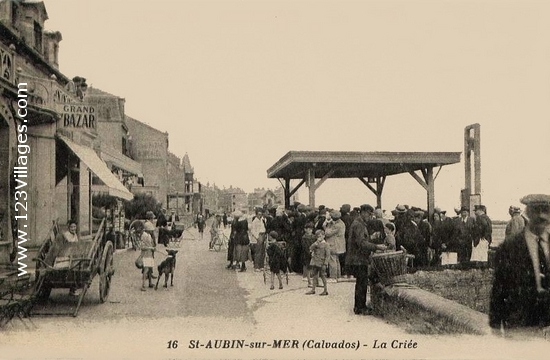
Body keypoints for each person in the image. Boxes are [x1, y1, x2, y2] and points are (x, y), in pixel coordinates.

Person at [490, 194, 550, 333]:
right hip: (520, 324)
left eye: (546, 210)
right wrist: (496, 328)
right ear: (528, 213)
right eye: (536, 210)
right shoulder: (509, 248)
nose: (541, 216)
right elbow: (499, 290)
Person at [346, 204, 387, 314]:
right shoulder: (359, 225)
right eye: (369, 214)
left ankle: (359, 306)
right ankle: (360, 308)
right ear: (363, 213)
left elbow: (361, 240)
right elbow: (361, 243)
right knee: (362, 283)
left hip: (357, 258)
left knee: (361, 282)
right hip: (359, 259)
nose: (370, 217)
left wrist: (371, 238)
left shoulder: (358, 223)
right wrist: (376, 246)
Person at [305, 229, 330, 296]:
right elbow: (310, 249)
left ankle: (325, 290)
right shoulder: (315, 244)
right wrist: (315, 244)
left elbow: (328, 255)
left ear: (324, 236)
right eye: (318, 236)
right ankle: (313, 289)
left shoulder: (326, 245)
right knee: (314, 276)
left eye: (320, 236)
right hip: (315, 262)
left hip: (322, 262)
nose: (319, 238)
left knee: (322, 276)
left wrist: (325, 263)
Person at [324, 210, 346, 282]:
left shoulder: (337, 225)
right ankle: (338, 276)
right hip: (338, 244)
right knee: (336, 260)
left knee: (332, 260)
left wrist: (325, 225)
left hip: (334, 244)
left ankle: (333, 277)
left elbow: (327, 233)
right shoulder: (341, 223)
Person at [134, 220, 156, 291]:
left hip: (149, 254)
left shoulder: (148, 235)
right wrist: (151, 248)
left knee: (149, 270)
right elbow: (142, 247)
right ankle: (143, 285)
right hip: (146, 255)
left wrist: (152, 248)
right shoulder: (144, 236)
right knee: (146, 270)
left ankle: (150, 283)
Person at [301, 222, 316, 287]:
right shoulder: (304, 237)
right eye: (308, 229)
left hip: (313, 253)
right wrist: (310, 252)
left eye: (311, 229)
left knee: (313, 266)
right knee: (308, 266)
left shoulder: (314, 236)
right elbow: (304, 247)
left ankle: (313, 280)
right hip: (307, 253)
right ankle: (309, 281)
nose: (310, 230)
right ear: (305, 229)